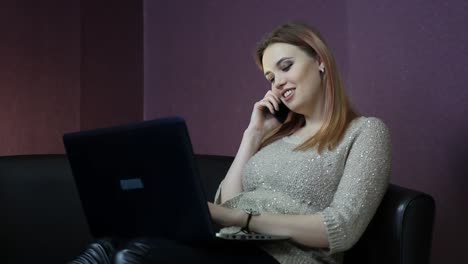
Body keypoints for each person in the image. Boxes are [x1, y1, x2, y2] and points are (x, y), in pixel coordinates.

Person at [70, 22, 391, 264]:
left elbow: (342, 228)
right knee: (108, 246)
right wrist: (251, 136)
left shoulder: (364, 132)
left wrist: (241, 219)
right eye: (269, 77)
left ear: (320, 61)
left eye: (285, 67)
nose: (277, 82)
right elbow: (228, 205)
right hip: (229, 246)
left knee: (136, 255)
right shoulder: (275, 139)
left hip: (282, 259)